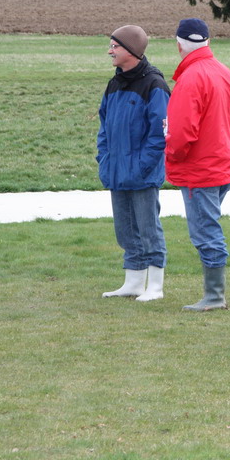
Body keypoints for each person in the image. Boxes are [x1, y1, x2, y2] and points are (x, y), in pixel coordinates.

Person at [165, 18, 230, 312]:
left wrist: (172, 155)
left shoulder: (190, 78)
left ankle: (214, 295)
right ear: (208, 41)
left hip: (200, 169)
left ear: (179, 44)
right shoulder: (224, 72)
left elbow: (181, 132)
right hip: (222, 162)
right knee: (208, 227)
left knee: (206, 231)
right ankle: (214, 293)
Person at [98, 25, 169, 302]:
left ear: (131, 50)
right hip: (116, 172)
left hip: (142, 174)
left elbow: (159, 134)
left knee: (148, 230)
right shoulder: (114, 84)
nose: (110, 51)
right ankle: (133, 283)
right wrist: (105, 160)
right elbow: (104, 128)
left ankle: (155, 287)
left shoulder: (154, 85)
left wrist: (141, 167)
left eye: (115, 46)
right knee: (125, 230)